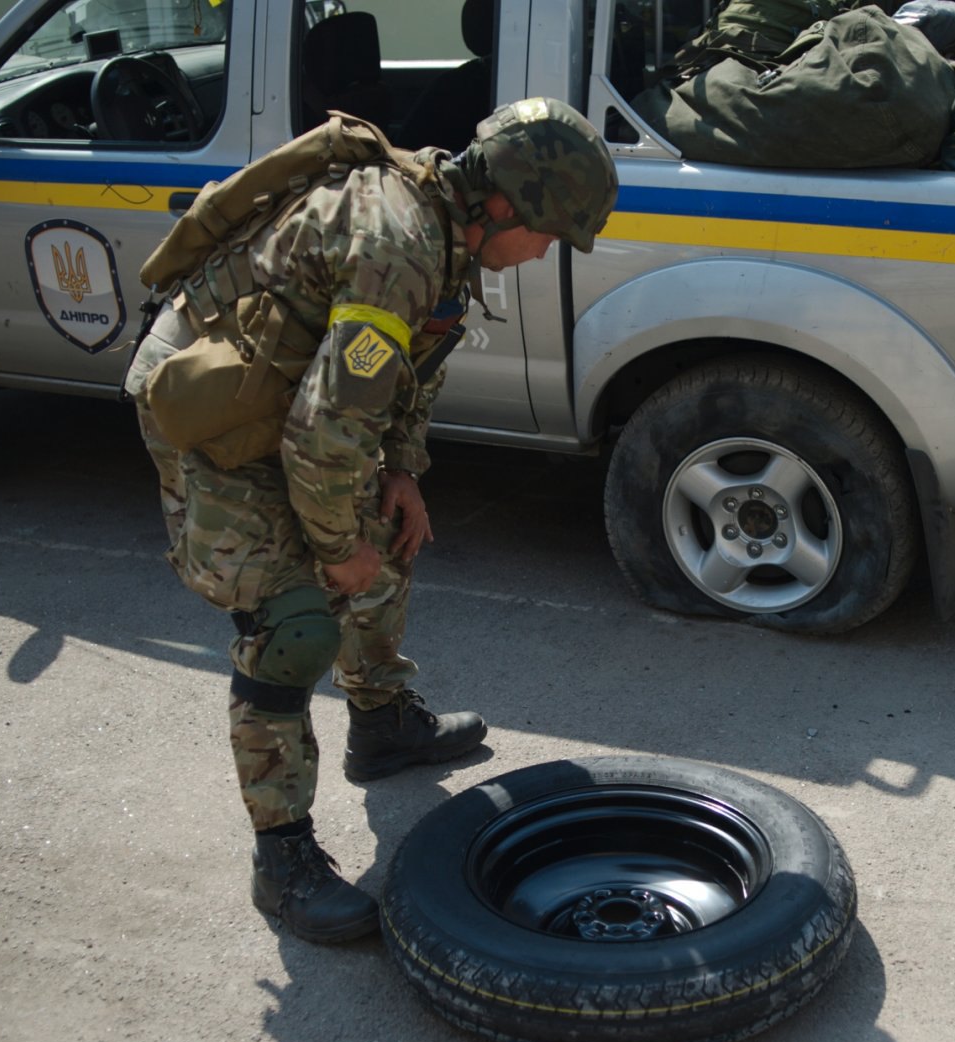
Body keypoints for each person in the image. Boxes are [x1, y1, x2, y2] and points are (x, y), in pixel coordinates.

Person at [122, 98, 618, 944]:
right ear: (501, 203)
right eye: (545, 232)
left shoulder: (443, 220)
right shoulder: (400, 244)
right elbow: (324, 430)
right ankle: (280, 858)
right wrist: (336, 548)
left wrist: (401, 474)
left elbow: (400, 379)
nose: (542, 252)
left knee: (388, 528)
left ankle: (381, 724)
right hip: (213, 412)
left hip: (289, 394)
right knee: (294, 626)